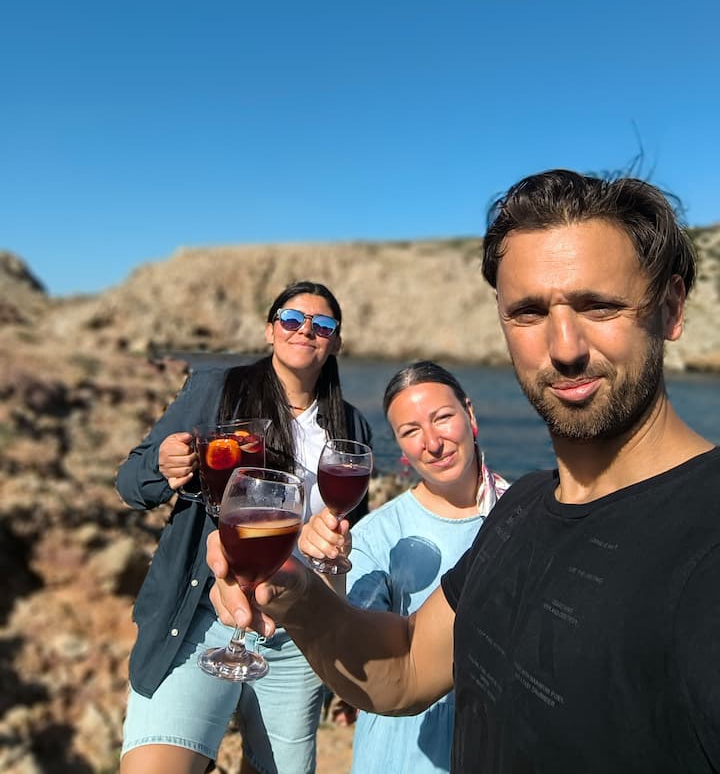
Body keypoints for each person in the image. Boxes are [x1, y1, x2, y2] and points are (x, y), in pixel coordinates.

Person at [208, 169, 720, 773]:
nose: (564, 347)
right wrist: (295, 593)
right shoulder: (521, 509)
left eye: (599, 305)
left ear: (670, 308)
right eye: (528, 312)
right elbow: (405, 669)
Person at [117, 280, 372, 774]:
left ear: (336, 342)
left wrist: (345, 636)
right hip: (200, 622)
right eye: (291, 319)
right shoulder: (215, 390)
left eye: (322, 325)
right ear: (269, 330)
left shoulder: (351, 427)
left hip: (296, 636)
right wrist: (163, 467)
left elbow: (351, 543)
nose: (305, 331)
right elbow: (131, 485)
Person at [301, 360, 508, 773]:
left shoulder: (523, 513)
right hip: (403, 754)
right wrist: (329, 569)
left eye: (442, 418)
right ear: (400, 446)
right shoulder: (380, 533)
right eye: (411, 431)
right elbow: (354, 646)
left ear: (469, 414)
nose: (432, 442)